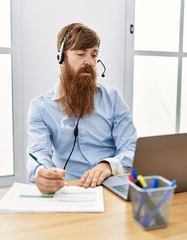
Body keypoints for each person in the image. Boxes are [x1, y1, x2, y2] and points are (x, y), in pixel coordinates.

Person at [27, 23, 137, 194]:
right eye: (80, 53)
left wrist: (109, 165)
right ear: (61, 58)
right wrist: (41, 172)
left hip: (113, 184)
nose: (90, 62)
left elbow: (131, 147)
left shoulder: (113, 99)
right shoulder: (40, 107)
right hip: (70, 188)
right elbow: (37, 152)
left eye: (94, 55)